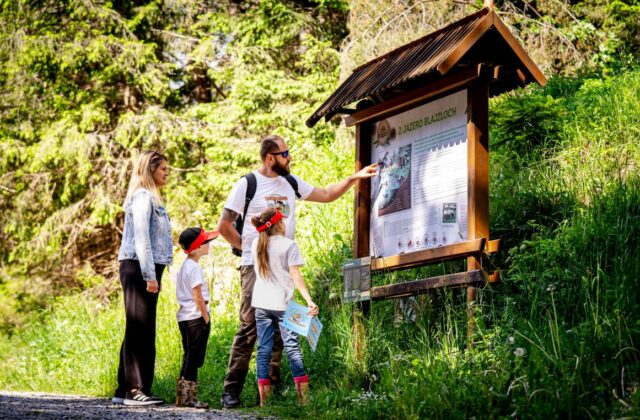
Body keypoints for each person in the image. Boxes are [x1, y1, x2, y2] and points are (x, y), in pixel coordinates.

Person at [217, 134, 377, 408]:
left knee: (280, 329)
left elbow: (326, 194)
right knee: (249, 328)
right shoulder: (248, 183)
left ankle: (270, 393)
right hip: (254, 267)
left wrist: (355, 178)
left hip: (283, 266)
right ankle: (231, 391)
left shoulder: (290, 182)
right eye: (285, 153)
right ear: (270, 158)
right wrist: (249, 251)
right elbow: (223, 225)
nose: (290, 157)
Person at [112, 150, 173, 406]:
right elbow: (141, 239)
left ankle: (123, 389)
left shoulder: (152, 198)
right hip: (138, 267)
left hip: (145, 267)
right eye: (163, 170)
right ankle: (134, 391)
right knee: (140, 328)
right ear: (150, 171)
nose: (167, 173)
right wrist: (149, 275)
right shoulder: (142, 198)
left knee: (140, 328)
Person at [249, 208, 319, 406]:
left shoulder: (256, 243)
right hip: (283, 304)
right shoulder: (289, 245)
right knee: (292, 348)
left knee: (263, 350)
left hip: (261, 304)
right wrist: (309, 300)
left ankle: (264, 402)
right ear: (279, 224)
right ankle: (303, 400)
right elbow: (295, 275)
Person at [175, 227, 219, 409]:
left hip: (184, 317)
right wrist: (205, 316)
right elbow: (198, 296)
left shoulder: (185, 265)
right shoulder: (194, 268)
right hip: (195, 317)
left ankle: (183, 397)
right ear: (196, 248)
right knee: (194, 358)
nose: (209, 244)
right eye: (206, 242)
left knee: (189, 357)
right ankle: (189, 399)